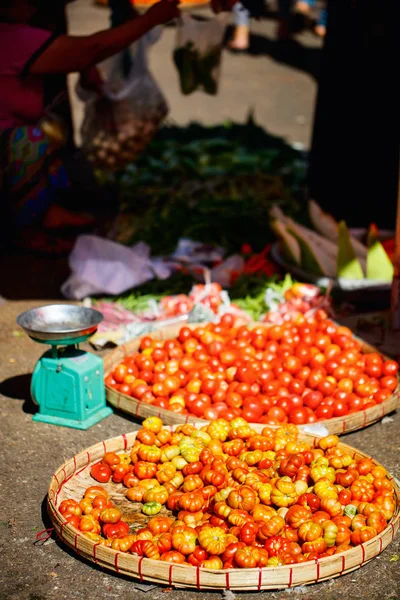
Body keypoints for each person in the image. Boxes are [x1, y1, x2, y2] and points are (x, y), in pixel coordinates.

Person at [0, 0, 179, 252]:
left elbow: (78, 54)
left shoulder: (16, 34)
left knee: (51, 130)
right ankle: (26, 231)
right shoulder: (11, 38)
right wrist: (150, 19)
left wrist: (84, 64)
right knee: (32, 141)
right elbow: (91, 48)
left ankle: (47, 211)